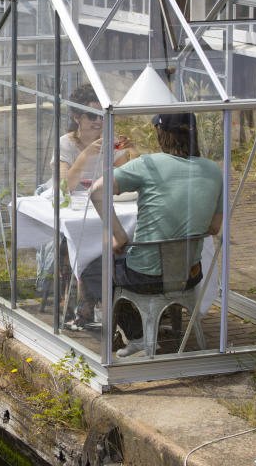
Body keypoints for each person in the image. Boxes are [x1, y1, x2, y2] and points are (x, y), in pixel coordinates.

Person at [88, 112, 223, 357]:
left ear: (161, 134)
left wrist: (119, 237)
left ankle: (138, 335)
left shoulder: (148, 164)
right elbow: (214, 228)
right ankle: (152, 326)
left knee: (94, 266)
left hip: (146, 276)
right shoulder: (214, 170)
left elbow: (97, 191)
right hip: (189, 274)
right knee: (129, 265)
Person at [42, 84, 133, 328]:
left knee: (118, 238)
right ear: (76, 117)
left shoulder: (111, 141)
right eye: (91, 116)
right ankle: (85, 306)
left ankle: (106, 304)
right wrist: (86, 156)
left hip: (102, 209)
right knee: (81, 238)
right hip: (73, 208)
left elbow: (127, 178)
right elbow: (63, 188)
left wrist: (130, 152)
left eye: (101, 115)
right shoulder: (66, 144)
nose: (98, 122)